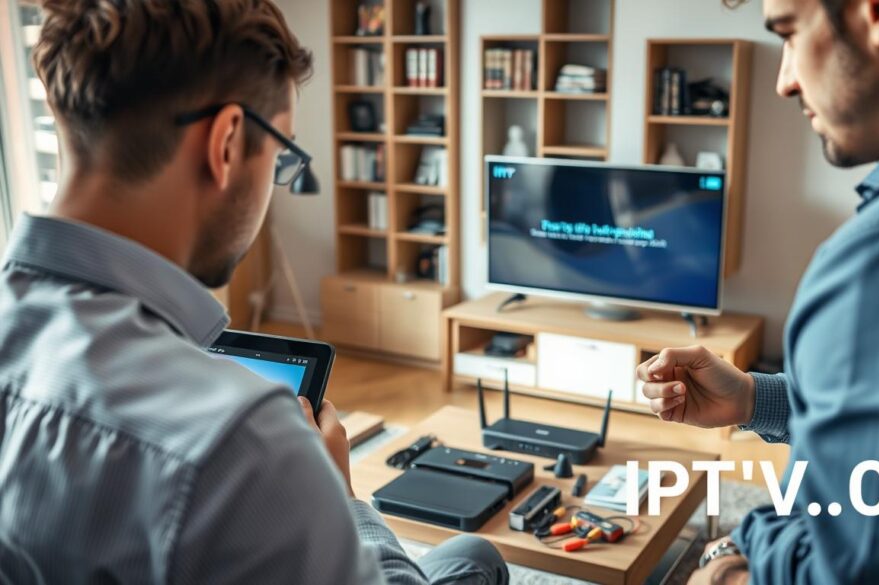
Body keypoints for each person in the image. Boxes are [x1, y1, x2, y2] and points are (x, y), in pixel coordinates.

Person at [0, 1, 508, 584]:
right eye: (282, 154)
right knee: (477, 560)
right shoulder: (245, 445)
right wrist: (341, 498)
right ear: (227, 143)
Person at [639, 0, 879, 583]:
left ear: (878, 11)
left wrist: (728, 563)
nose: (784, 80)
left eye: (790, 33)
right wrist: (753, 399)